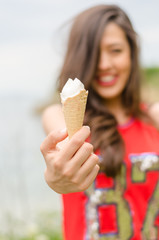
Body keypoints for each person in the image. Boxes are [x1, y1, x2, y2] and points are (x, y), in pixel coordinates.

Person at [40, 5, 159, 240]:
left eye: (115, 50)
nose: (104, 64)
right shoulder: (61, 118)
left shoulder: (154, 117)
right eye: (94, 54)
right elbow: (60, 158)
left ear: (131, 54)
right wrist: (57, 179)